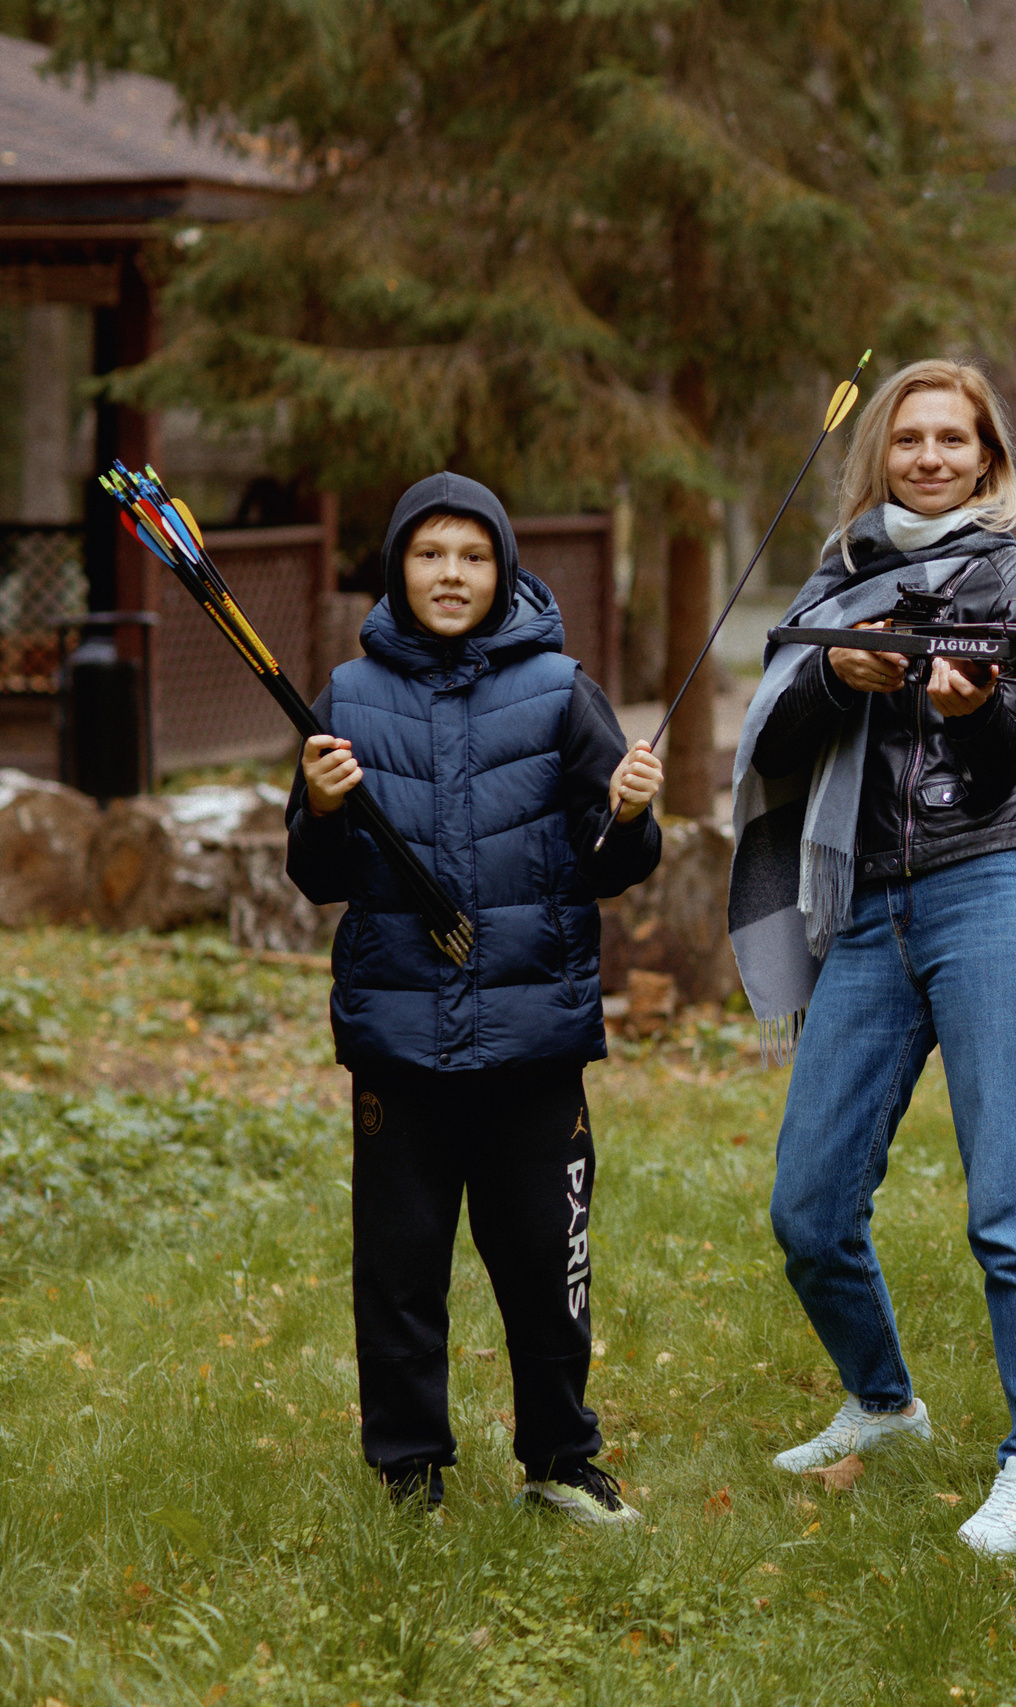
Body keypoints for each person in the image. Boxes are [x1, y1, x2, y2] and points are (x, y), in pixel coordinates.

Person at [731, 360, 1016, 1558]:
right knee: (810, 1206)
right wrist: (840, 670)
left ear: (988, 459)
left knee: (1008, 1206)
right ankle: (884, 1403)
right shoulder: (834, 582)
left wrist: (970, 703)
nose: (930, 458)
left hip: (989, 886)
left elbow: (1000, 766)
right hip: (867, 903)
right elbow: (770, 731)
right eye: (909, 439)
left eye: (954, 440)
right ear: (879, 453)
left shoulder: (1015, 578)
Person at [287, 471, 664, 1524]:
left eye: (472, 556)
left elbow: (612, 861)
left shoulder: (558, 689)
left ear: (502, 571)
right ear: (397, 569)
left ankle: (561, 1460)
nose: (449, 575)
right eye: (428, 554)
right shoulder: (347, 696)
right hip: (397, 1042)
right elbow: (317, 874)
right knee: (400, 1272)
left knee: (548, 1266)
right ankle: (410, 1471)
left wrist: (629, 816)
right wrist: (319, 809)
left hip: (533, 1039)